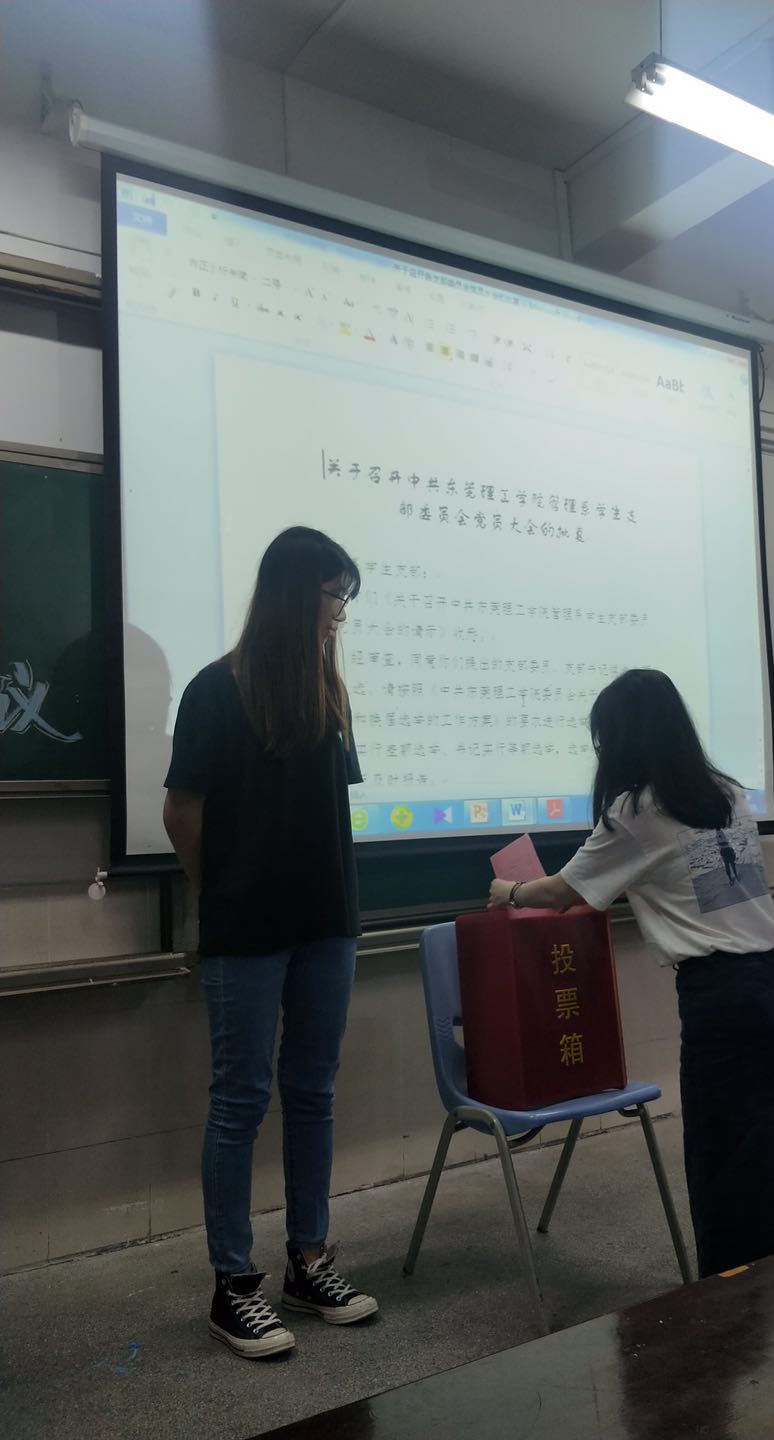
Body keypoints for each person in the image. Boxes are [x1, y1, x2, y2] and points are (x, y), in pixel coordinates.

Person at [488, 668, 774, 1278]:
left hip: (722, 1001)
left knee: (727, 1164)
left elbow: (559, 891)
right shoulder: (727, 793)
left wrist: (509, 890)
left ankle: (735, 1303)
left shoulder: (637, 811)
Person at [163, 526, 377, 1359]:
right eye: (334, 597)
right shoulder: (214, 691)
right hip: (246, 927)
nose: (340, 615)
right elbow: (182, 811)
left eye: (345, 600)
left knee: (313, 1090)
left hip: (328, 922)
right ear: (295, 594)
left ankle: (309, 1262)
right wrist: (216, 893)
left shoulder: (330, 693)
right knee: (240, 1100)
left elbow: (327, 810)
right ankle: (233, 1286)